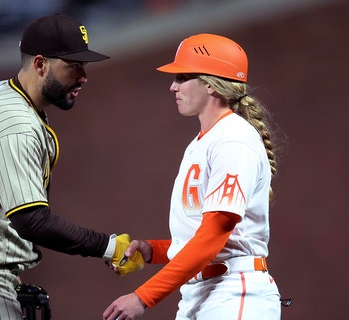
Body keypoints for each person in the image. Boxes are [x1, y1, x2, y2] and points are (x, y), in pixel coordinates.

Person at [0, 13, 142, 320]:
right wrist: (106, 246)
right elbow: (31, 220)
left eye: (84, 66)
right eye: (73, 66)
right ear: (40, 64)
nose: (83, 76)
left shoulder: (2, 93)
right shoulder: (16, 124)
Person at [103, 33, 283, 320]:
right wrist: (153, 251)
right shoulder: (204, 141)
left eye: (183, 77)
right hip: (203, 293)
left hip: (234, 292)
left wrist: (143, 296)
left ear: (211, 84)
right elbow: (207, 237)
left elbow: (213, 237)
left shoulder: (233, 139)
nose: (173, 86)